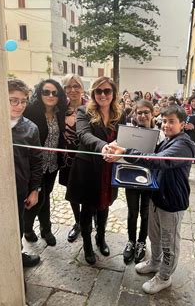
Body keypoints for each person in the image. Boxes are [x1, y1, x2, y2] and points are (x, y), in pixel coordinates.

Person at [107, 106, 195, 294]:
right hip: (157, 197)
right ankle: (155, 262)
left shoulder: (184, 144)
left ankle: (164, 277)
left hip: (172, 202)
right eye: (164, 121)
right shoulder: (169, 140)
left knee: (169, 243)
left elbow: (158, 160)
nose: (167, 125)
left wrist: (125, 151)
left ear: (182, 124)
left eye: (172, 121)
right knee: (154, 236)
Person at [65, 77, 126, 265]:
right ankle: (88, 246)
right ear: (93, 94)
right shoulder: (84, 111)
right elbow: (84, 134)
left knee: (104, 205)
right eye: (98, 91)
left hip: (108, 167)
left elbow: (124, 137)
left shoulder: (120, 114)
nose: (102, 95)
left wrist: (120, 150)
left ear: (113, 94)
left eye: (107, 91)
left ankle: (101, 239)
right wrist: (103, 146)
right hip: (88, 168)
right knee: (88, 208)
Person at [23, 79, 67, 246]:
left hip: (52, 164)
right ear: (39, 93)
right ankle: (28, 228)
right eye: (46, 92)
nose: (50, 95)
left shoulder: (59, 112)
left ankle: (45, 229)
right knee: (37, 198)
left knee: (46, 196)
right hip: (35, 165)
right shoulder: (31, 111)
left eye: (54, 92)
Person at [123, 100, 166, 265]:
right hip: (130, 177)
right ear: (135, 114)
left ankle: (142, 242)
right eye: (139, 112)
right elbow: (125, 154)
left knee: (146, 212)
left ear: (152, 113)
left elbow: (161, 158)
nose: (142, 115)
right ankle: (131, 241)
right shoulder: (130, 131)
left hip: (150, 179)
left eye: (146, 112)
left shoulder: (159, 134)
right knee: (132, 211)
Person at [8, 79, 43, 267]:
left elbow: (37, 162)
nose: (19, 105)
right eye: (13, 100)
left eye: (23, 101)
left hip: (19, 187)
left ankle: (18, 254)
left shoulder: (31, 128)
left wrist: (34, 189)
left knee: (18, 224)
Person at [59, 74, 87, 243]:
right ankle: (78, 222)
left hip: (86, 158)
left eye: (76, 86)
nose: (73, 90)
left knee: (87, 190)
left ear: (82, 88)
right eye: (69, 86)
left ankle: (89, 222)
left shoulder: (92, 108)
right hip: (66, 158)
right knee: (71, 193)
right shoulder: (61, 108)